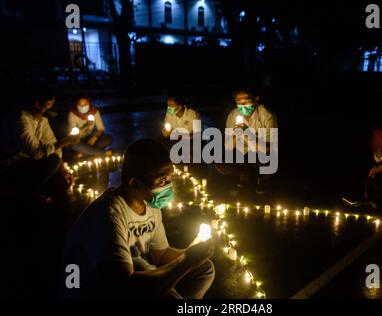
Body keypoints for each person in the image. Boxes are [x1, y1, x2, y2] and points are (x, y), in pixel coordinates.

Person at [61, 139, 215, 299]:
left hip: (130, 276)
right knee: (141, 265)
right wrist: (186, 260)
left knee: (204, 269)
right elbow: (126, 286)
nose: (169, 186)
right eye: (162, 180)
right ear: (134, 184)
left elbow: (161, 255)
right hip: (91, 290)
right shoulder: (108, 214)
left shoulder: (149, 204)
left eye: (170, 178)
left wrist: (195, 251)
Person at [0, 90, 79, 200]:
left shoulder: (43, 121)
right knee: (53, 160)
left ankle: (35, 187)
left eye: (53, 103)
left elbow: (51, 143)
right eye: (49, 104)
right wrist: (65, 141)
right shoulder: (20, 119)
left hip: (30, 163)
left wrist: (62, 169)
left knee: (63, 182)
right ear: (37, 104)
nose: (52, 108)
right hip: (11, 165)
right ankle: (26, 192)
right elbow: (36, 153)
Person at [215, 87, 277, 194]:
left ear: (256, 99)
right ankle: (244, 171)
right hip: (241, 152)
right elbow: (228, 147)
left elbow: (268, 149)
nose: (242, 104)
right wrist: (236, 133)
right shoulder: (233, 115)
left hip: (260, 153)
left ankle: (262, 177)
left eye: (246, 100)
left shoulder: (267, 116)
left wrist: (246, 134)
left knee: (270, 160)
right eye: (239, 101)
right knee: (220, 162)